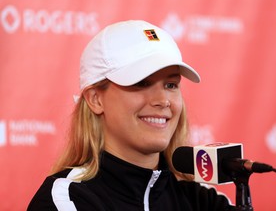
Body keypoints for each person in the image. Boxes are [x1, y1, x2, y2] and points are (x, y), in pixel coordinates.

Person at [27, 20, 233, 211]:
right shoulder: (67, 199)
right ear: (96, 99)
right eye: (141, 83)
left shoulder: (201, 198)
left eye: (171, 85)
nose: (162, 100)